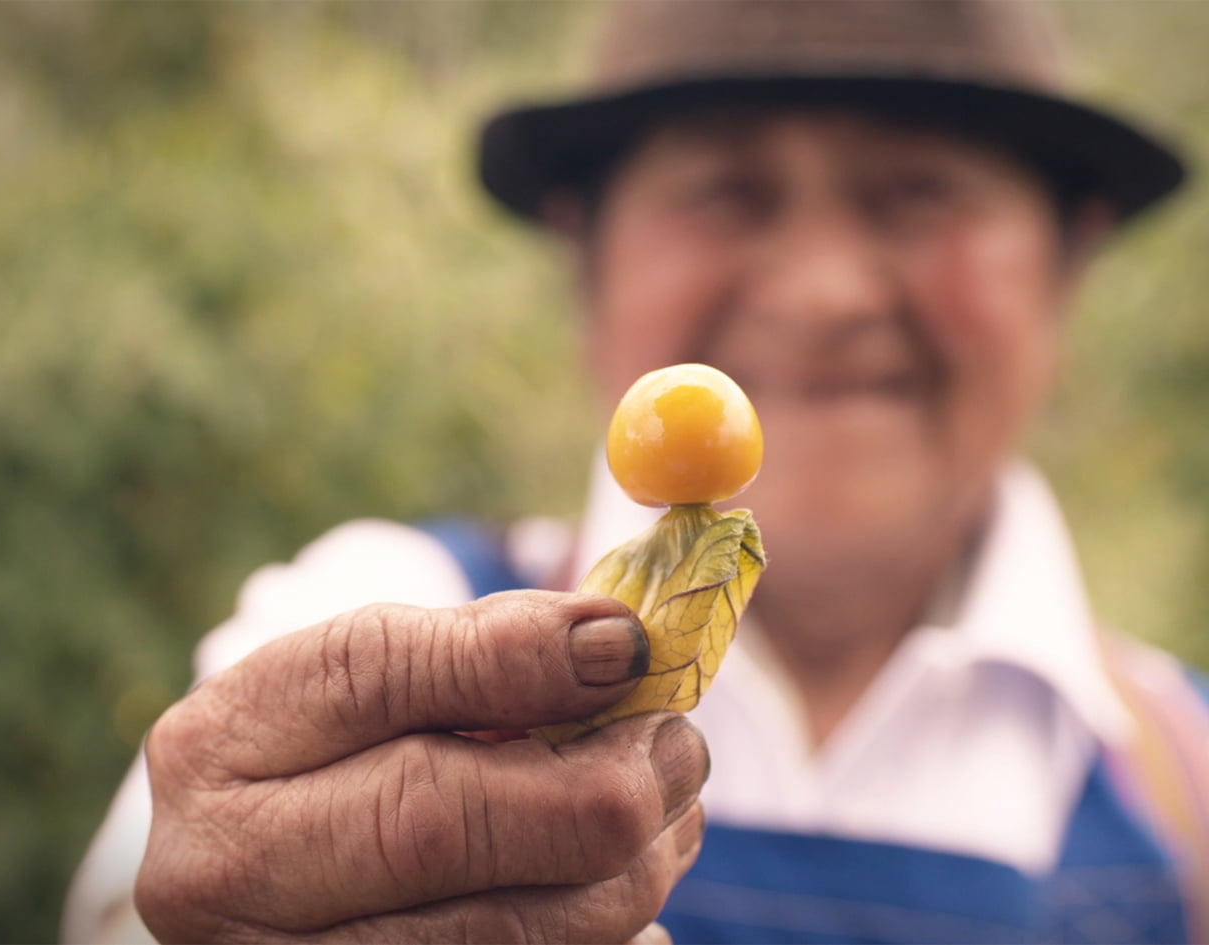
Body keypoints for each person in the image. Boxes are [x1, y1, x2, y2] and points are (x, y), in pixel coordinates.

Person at [63, 1, 1209, 942]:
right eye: (727, 193)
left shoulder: (1187, 780)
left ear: (1067, 261)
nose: (823, 292)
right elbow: (133, 905)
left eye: (917, 192)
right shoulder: (375, 616)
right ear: (586, 256)